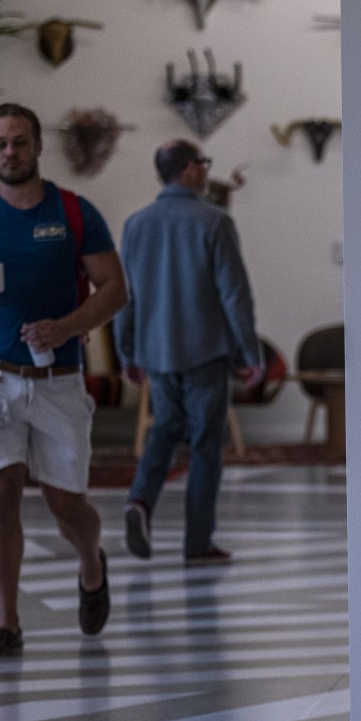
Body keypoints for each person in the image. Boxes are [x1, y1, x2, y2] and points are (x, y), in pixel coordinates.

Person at [0, 103, 127, 658]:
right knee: (0, 492)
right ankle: (7, 623)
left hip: (58, 380)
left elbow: (115, 289)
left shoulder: (74, 211)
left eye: (19, 142)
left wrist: (65, 326)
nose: (10, 152)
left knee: (67, 507)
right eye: (0, 144)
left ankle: (91, 561)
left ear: (38, 146)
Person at [116, 139, 263, 566]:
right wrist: (250, 352)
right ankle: (198, 542)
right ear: (188, 169)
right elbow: (234, 293)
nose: (206, 170)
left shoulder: (136, 224)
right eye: (203, 163)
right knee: (204, 444)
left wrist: (127, 352)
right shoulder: (214, 221)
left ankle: (140, 501)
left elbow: (127, 295)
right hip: (205, 352)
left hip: (156, 351)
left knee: (165, 428)